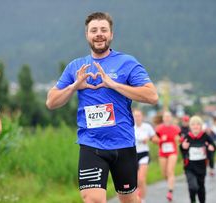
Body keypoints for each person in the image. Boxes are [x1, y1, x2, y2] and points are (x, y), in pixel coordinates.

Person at [46, 12, 158, 203]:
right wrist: (74, 86)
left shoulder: (127, 62)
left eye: (103, 30)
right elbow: (51, 101)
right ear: (87, 35)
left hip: (123, 143)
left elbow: (152, 96)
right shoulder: (76, 67)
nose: (99, 34)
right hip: (91, 144)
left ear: (111, 34)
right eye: (94, 30)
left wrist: (114, 84)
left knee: (130, 200)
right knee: (92, 199)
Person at [180, 116, 216, 203]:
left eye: (198, 124)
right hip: (189, 167)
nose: (195, 126)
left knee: (200, 187)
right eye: (193, 124)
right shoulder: (188, 137)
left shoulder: (205, 136)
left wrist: (211, 148)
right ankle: (193, 200)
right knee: (193, 186)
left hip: (201, 166)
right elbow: (182, 148)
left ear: (201, 126)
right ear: (190, 126)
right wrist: (183, 146)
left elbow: (213, 146)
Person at [153, 111, 180, 202]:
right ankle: (170, 183)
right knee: (164, 173)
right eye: (166, 117)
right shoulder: (159, 128)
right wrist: (161, 140)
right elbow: (154, 139)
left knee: (170, 171)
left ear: (171, 118)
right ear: (163, 118)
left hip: (173, 152)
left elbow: (180, 138)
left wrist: (179, 139)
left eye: (169, 116)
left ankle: (170, 191)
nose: (167, 118)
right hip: (163, 153)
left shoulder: (175, 128)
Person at [133, 109, 156, 203]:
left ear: (142, 116)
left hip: (144, 154)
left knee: (141, 179)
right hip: (132, 155)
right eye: (135, 116)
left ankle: (142, 200)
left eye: (139, 115)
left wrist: (149, 138)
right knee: (135, 180)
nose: (137, 118)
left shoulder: (147, 127)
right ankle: (137, 198)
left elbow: (155, 138)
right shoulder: (130, 127)